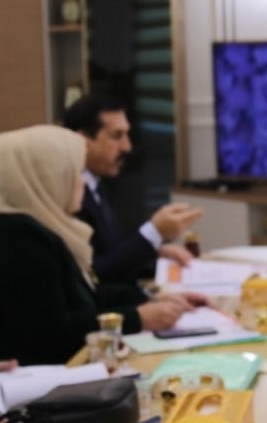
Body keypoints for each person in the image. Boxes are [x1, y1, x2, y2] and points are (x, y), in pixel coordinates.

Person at [0, 125, 188, 365]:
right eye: (74, 173)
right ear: (43, 179)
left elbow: (86, 297)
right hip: (17, 378)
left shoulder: (40, 229)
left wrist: (152, 299)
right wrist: (137, 318)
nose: (81, 183)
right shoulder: (13, 239)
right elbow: (51, 334)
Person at [63, 93, 201, 286]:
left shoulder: (96, 182)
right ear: (83, 141)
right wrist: (155, 232)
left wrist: (156, 253)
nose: (127, 147)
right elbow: (95, 275)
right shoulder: (70, 195)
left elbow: (113, 253)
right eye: (116, 136)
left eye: (127, 135)